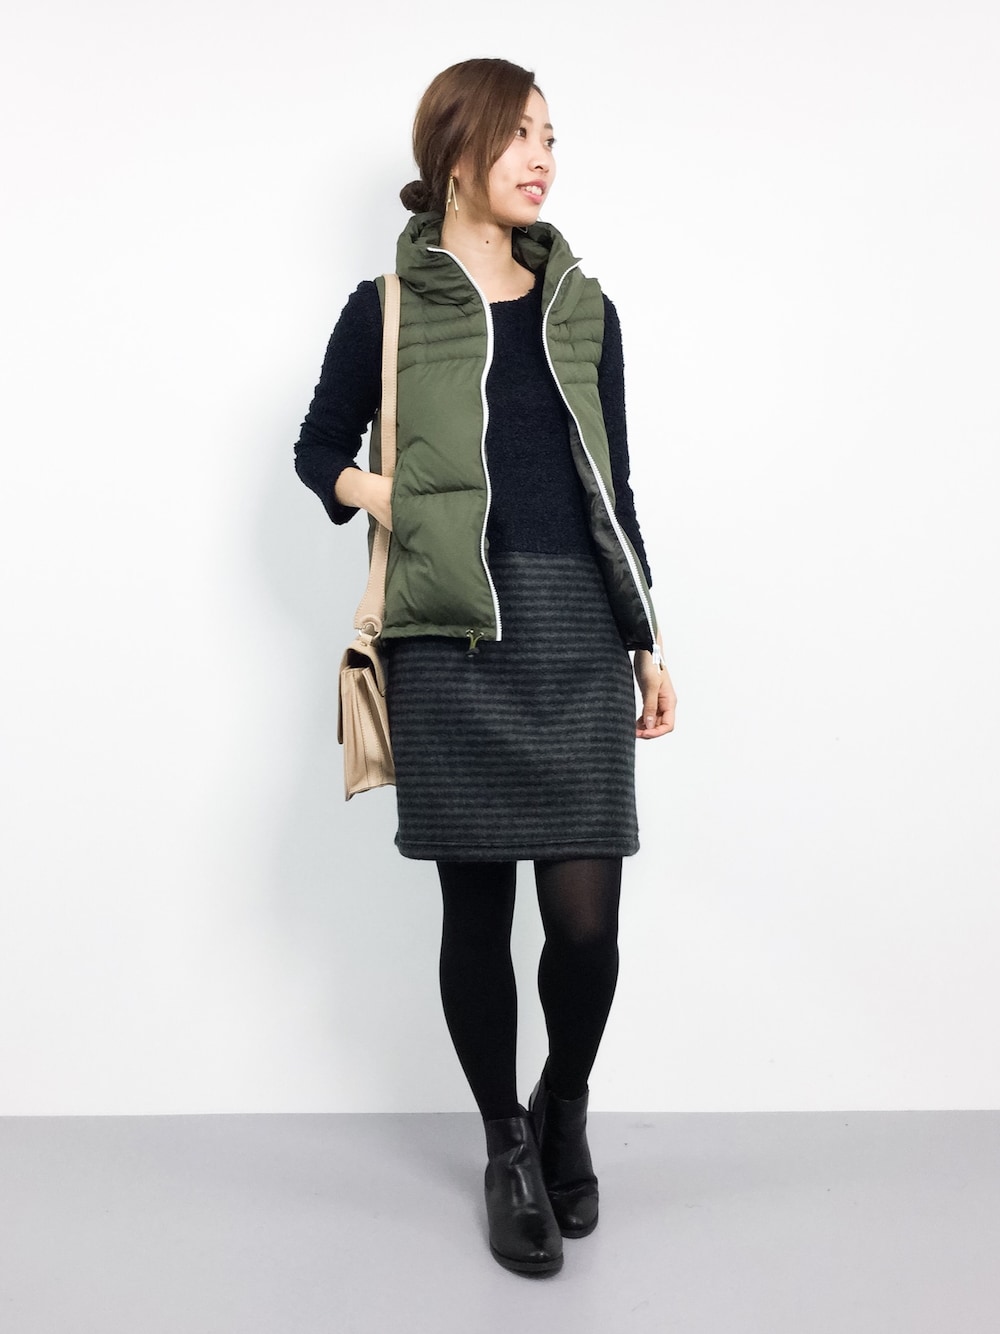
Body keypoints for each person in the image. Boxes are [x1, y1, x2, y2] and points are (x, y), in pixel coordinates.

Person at [294, 57, 677, 1278]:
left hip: (571, 624)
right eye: (518, 135)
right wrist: (388, 497)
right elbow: (315, 450)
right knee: (477, 911)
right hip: (449, 633)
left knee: (586, 922)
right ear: (455, 154)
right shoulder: (385, 308)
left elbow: (613, 487)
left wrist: (646, 636)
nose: (541, 157)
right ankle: (506, 1144)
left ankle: (564, 1102)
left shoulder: (584, 310)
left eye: (550, 136)